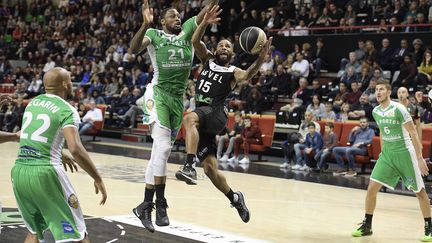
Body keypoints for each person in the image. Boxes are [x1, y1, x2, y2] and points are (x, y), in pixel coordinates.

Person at [175, 6, 271, 222]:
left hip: (217, 112)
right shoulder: (206, 61)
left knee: (189, 117)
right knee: (210, 169)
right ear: (215, 50)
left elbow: (247, 75)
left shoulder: (233, 71)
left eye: (228, 46)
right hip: (203, 119)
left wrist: (262, 58)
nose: (224, 48)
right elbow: (195, 41)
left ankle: (189, 166)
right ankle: (235, 198)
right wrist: (204, 22)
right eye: (221, 45)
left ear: (232, 53)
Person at [129, 0, 217, 233]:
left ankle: (145, 205)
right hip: (157, 94)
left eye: (179, 16)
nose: (177, 19)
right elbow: (133, 48)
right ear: (162, 21)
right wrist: (143, 24)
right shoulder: (153, 34)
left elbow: (206, 11)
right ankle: (160, 204)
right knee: (165, 147)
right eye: (172, 16)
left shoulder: (188, 28)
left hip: (177, 100)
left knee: (159, 152)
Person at [11, 67, 107, 243]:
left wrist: (58, 152)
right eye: (70, 80)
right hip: (46, 173)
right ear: (64, 84)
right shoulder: (67, 109)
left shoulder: (33, 103)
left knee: (34, 232)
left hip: (19, 172)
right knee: (78, 234)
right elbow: (76, 148)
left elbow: (30, 136)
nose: (71, 84)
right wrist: (97, 177)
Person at [352, 80, 432, 242]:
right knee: (372, 188)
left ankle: (429, 227)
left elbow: (414, 134)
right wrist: (382, 151)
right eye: (376, 90)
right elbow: (382, 131)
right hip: (387, 155)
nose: (378, 92)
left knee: (420, 192)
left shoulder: (399, 109)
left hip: (405, 154)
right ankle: (367, 225)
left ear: (389, 92)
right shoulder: (375, 111)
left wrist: (419, 158)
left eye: (382, 89)